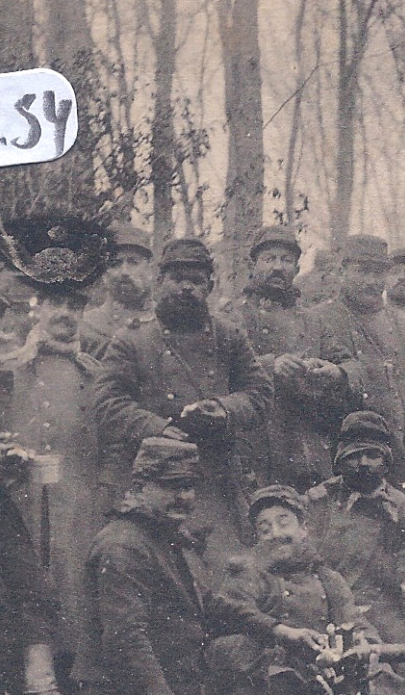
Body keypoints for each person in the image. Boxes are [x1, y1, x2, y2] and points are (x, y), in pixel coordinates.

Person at [93, 237, 273, 572]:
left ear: (211, 286)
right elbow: (107, 401)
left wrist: (224, 408)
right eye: (178, 280)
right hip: (149, 481)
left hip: (213, 477)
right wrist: (159, 428)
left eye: (196, 281)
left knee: (222, 574)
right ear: (160, 283)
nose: (187, 288)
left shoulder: (228, 336)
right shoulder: (132, 339)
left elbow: (259, 391)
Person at [0, 277, 106, 695]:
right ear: (37, 307)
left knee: (75, 583)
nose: (64, 314)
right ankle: (12, 684)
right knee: (25, 581)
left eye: (74, 304)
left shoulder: (95, 373)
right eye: (55, 302)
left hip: (78, 498)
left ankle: (66, 687)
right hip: (20, 497)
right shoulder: (8, 367)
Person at [76, 437, 219, 695]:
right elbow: (126, 639)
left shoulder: (164, 536)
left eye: (189, 486)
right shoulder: (125, 545)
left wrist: (279, 631)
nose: (183, 497)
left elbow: (204, 604)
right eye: (171, 486)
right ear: (140, 485)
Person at [205, 485, 366, 695]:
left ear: (304, 528)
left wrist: (361, 643)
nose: (277, 534)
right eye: (265, 528)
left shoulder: (329, 580)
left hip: (320, 693)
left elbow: (353, 622)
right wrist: (281, 636)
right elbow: (234, 613)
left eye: (284, 522)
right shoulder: (249, 576)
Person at [303, 412, 405, 695]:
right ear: (340, 460)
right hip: (324, 603)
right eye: (354, 456)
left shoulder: (404, 510)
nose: (363, 463)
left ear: (386, 461)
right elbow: (302, 558)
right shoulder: (318, 502)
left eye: (372, 455)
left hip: (383, 605)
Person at [225, 225, 363, 492]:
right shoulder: (234, 316)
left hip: (307, 449)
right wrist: (269, 366)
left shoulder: (313, 320)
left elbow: (354, 368)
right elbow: (221, 371)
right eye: (270, 259)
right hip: (255, 446)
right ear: (253, 265)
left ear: (297, 269)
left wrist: (336, 372)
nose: (278, 267)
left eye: (286, 260)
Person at [312, 234, 405, 494]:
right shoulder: (318, 319)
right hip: (343, 460)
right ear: (342, 271)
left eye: (378, 273)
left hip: (403, 454)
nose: (371, 281)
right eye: (361, 271)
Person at [80, 222, 154, 356]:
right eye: (115, 263)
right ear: (103, 272)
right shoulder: (86, 326)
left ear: (150, 270)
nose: (124, 272)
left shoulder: (161, 320)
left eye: (133, 262)